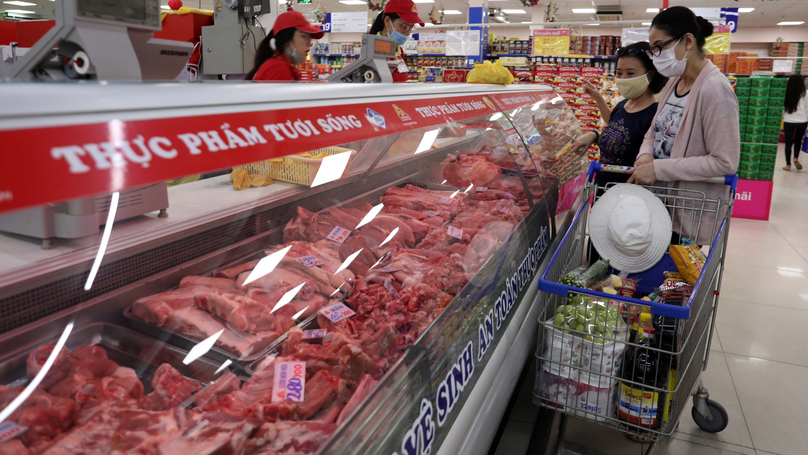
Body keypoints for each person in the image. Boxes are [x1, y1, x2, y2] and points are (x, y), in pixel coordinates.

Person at [628, 6, 739, 246]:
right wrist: (646, 155)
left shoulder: (716, 91)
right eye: (652, 49)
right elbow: (653, 131)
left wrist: (659, 169)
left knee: (672, 282)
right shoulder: (673, 82)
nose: (655, 55)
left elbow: (725, 161)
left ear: (688, 40)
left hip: (688, 214)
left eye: (660, 47)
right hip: (658, 206)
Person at [574, 42, 668, 188]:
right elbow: (617, 131)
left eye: (630, 73)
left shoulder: (654, 115)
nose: (623, 78)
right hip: (601, 188)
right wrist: (594, 135)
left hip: (624, 196)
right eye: (619, 73)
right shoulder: (622, 105)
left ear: (649, 75)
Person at [246, 11, 324, 81]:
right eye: (304, 36)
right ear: (287, 40)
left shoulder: (280, 65)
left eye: (310, 39)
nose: (310, 44)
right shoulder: (278, 68)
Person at [368, 0, 425, 83]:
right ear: (387, 21)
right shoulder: (372, 48)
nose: (408, 32)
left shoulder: (399, 50)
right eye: (404, 26)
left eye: (411, 27)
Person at [782, 74, 808, 171]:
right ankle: (795, 158)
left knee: (788, 143)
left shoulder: (786, 94)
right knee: (798, 141)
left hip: (789, 120)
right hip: (802, 121)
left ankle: (788, 165)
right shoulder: (806, 94)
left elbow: (783, 109)